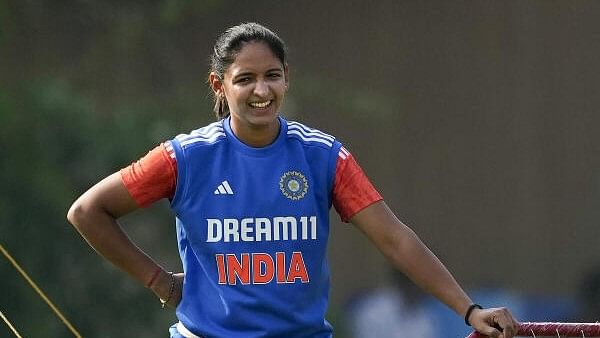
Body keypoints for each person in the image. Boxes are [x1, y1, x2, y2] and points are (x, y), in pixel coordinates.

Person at [67, 22, 519, 338]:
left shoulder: (323, 157)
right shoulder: (185, 157)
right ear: (218, 85)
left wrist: (469, 310)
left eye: (272, 76)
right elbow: (88, 212)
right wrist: (158, 281)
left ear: (287, 80)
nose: (261, 91)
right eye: (245, 79)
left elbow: (394, 239)